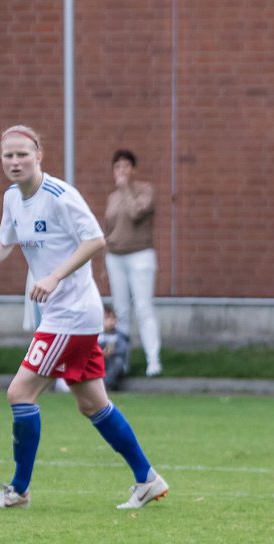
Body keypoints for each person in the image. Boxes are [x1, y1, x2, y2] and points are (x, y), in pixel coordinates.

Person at [0, 125, 169, 511]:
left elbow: (95, 239)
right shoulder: (13, 197)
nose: (14, 161)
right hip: (66, 314)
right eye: (8, 155)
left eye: (22, 154)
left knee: (20, 393)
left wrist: (54, 276)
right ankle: (147, 479)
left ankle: (19, 490)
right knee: (92, 404)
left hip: (71, 313)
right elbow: (5, 239)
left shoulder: (60, 196)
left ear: (39, 154)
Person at [102, 149, 163, 377]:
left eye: (126, 166)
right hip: (115, 257)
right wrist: (103, 266)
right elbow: (108, 232)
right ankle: (121, 361)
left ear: (133, 169)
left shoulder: (144, 190)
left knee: (143, 306)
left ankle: (153, 360)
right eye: (117, 167)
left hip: (140, 255)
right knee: (120, 310)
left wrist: (126, 187)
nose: (121, 171)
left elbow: (137, 213)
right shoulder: (112, 197)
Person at [100, 305, 131, 390]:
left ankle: (105, 384)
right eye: (107, 318)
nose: (111, 321)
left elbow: (123, 349)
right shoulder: (97, 335)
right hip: (99, 360)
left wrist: (112, 352)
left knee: (118, 363)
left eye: (113, 318)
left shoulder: (119, 336)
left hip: (112, 360)